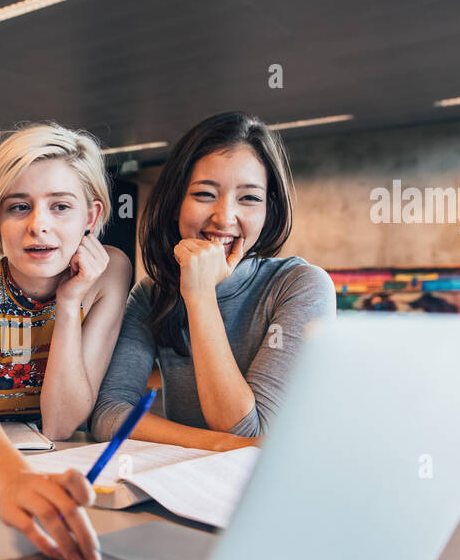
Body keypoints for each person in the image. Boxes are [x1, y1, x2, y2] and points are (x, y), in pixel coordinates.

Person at [0, 123, 132, 560]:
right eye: (19, 207)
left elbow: (61, 422)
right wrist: (12, 481)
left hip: (59, 465)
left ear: (91, 218)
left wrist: (69, 302)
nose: (38, 225)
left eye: (61, 206)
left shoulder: (109, 273)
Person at [91, 111, 336, 451]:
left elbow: (248, 429)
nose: (224, 218)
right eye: (205, 194)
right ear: (176, 203)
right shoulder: (150, 294)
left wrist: (200, 294)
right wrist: (218, 445)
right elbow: (109, 414)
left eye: (249, 198)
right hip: (181, 485)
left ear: (269, 210)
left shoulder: (301, 286)